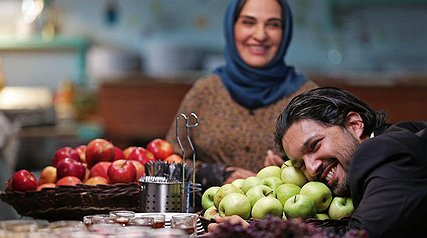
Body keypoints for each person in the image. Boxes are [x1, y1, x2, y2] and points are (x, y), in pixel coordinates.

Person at [208, 87, 427, 238]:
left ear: (354, 124)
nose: (312, 168)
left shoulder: (382, 150)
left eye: (314, 146)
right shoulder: (400, 136)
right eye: (300, 164)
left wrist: (256, 233)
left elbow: (358, 234)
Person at [165, 0, 317, 189]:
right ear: (232, 27)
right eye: (248, 22)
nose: (260, 35)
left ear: (285, 32)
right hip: (206, 216)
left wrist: (291, 174)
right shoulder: (205, 91)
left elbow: (330, 170)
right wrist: (216, 175)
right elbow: (168, 163)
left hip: (283, 218)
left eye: (273, 24)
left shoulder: (308, 99)